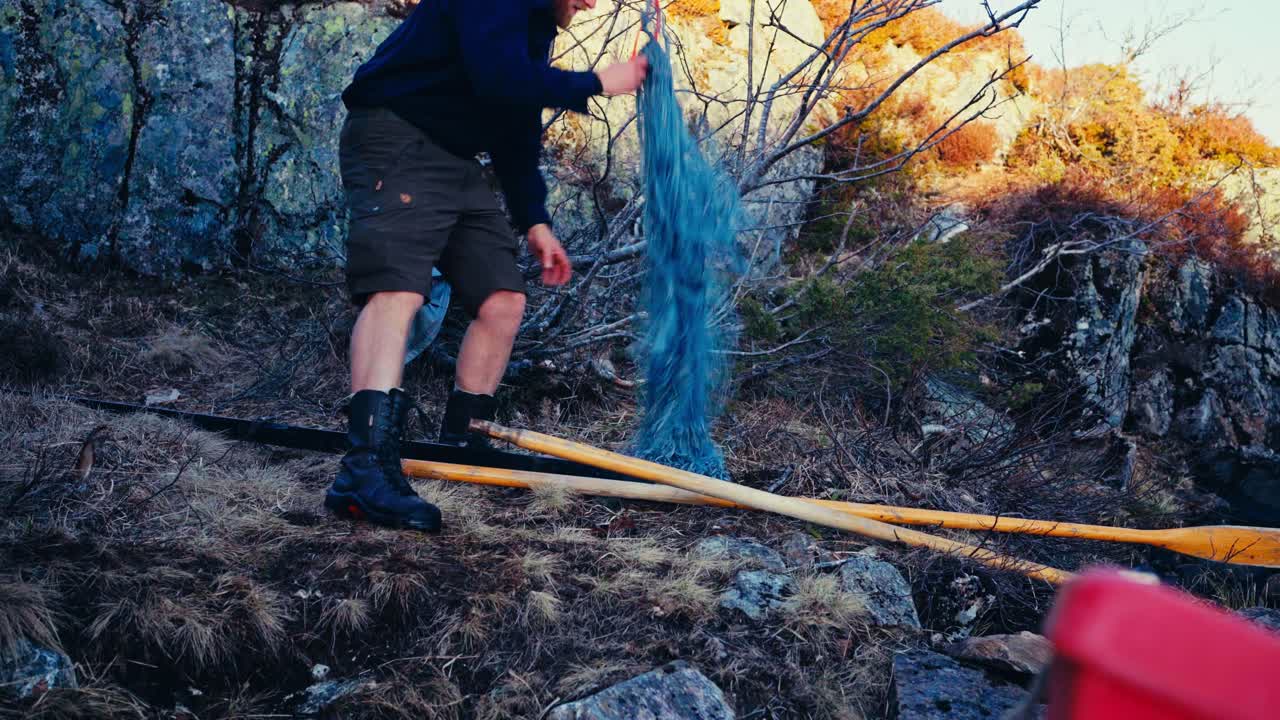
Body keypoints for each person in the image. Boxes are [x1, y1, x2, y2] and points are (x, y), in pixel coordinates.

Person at [324, 0, 648, 532]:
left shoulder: (534, 24)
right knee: (398, 290)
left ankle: (463, 440)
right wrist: (593, 83)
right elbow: (500, 79)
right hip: (397, 136)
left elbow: (512, 124)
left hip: (454, 158)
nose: (591, 2)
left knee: (503, 299)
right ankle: (363, 469)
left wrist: (535, 220)